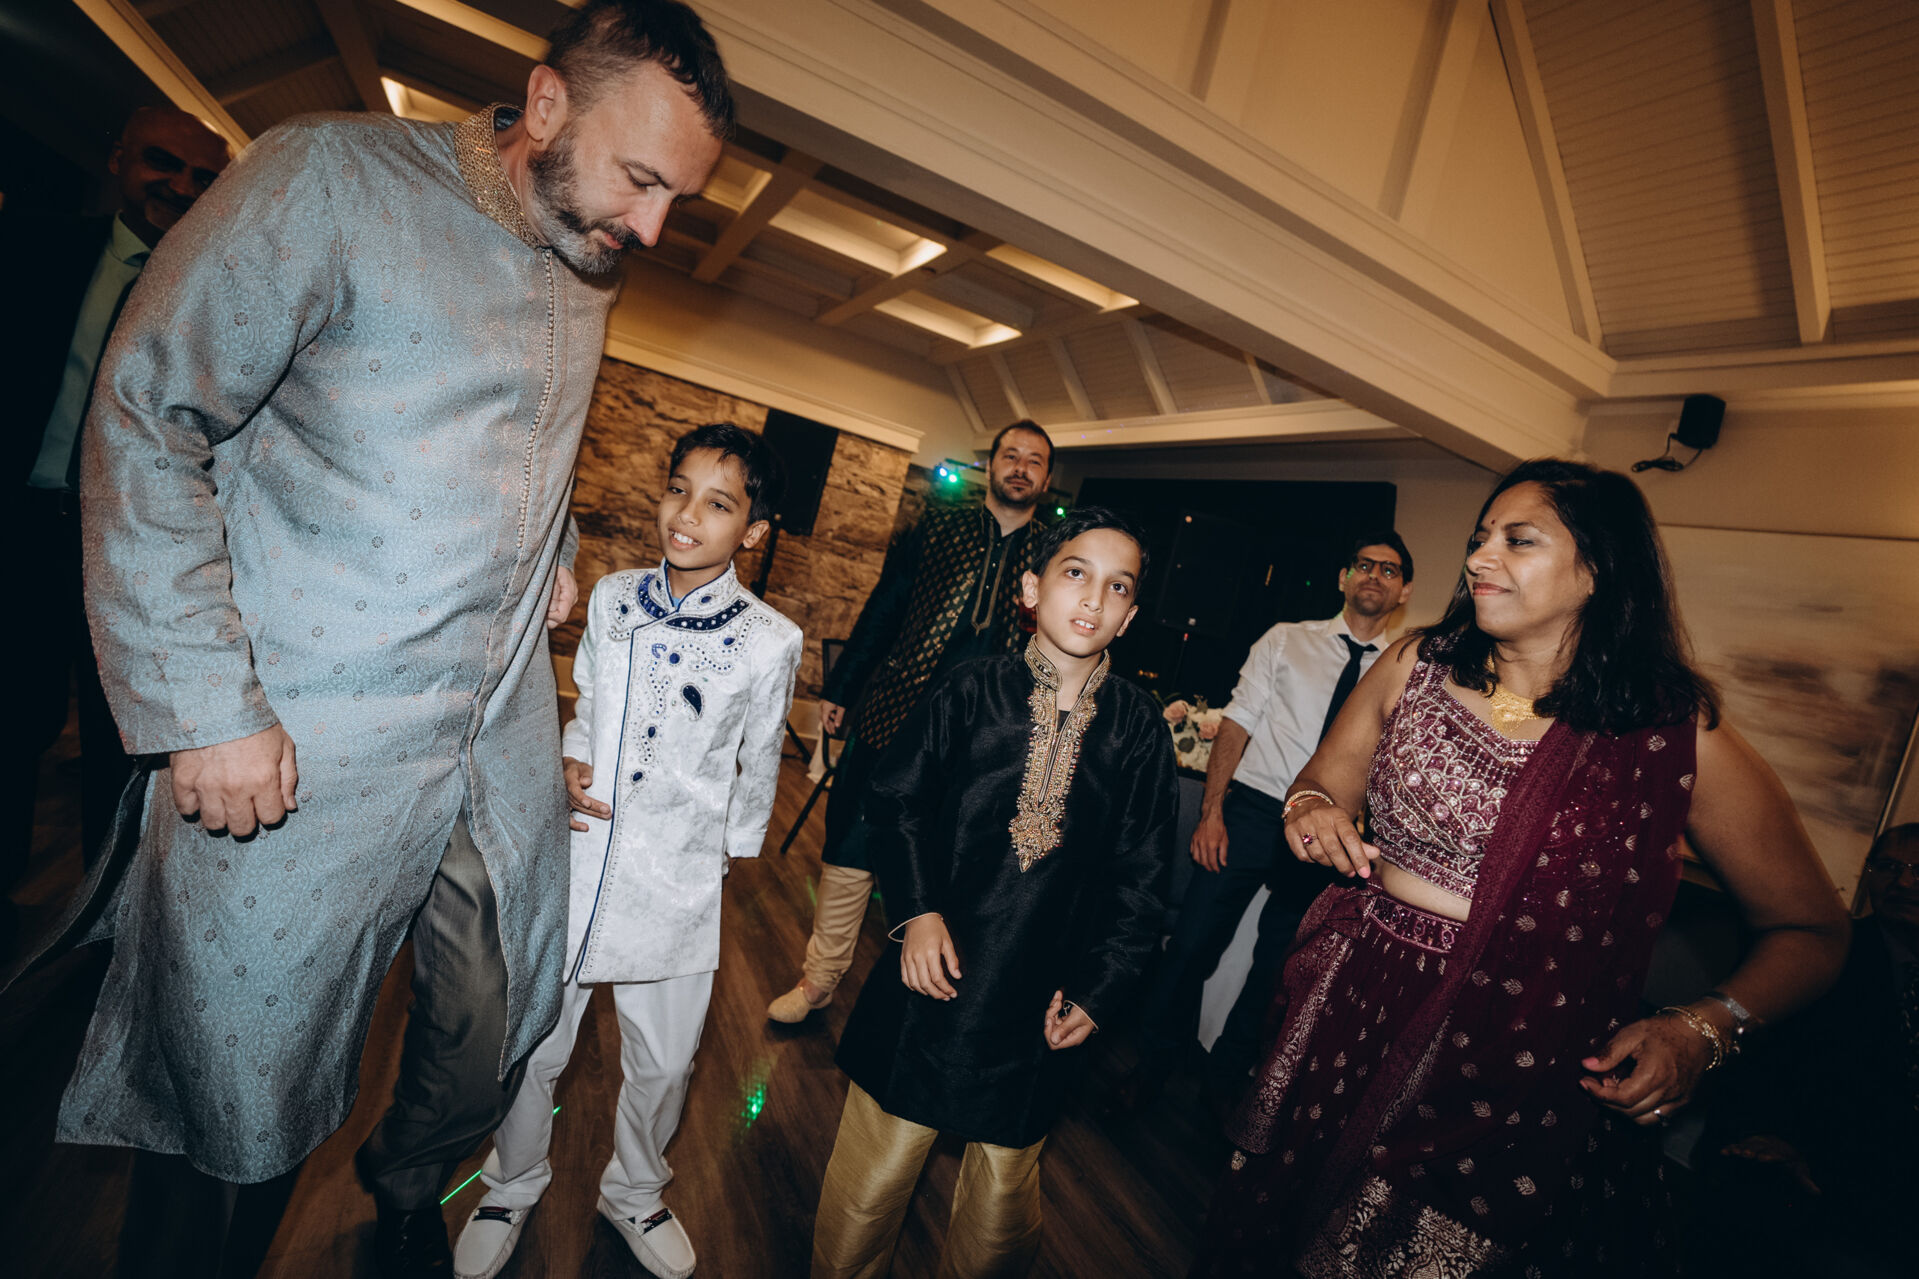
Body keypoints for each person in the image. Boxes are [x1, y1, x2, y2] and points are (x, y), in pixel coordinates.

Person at [57, 3, 732, 1275]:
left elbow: (519, 443)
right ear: (545, 104)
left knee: (495, 1013)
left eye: (674, 201)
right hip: (304, 730)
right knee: (236, 1076)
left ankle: (408, 1179)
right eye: (641, 180)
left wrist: (551, 546)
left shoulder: (589, 254)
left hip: (492, 741)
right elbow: (149, 415)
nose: (650, 228)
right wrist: (204, 703)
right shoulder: (323, 177)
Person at [1195, 459, 1850, 1277]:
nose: (1478, 557)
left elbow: (1812, 930)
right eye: (1479, 538)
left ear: (1596, 568)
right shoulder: (1414, 663)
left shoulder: (1674, 738)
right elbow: (1319, 782)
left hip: (1512, 1059)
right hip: (1355, 1004)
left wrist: (1702, 1028)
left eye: (1518, 540)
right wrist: (1310, 809)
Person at [452, 423, 800, 1279]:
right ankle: (511, 1179)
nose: (686, 514)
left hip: (681, 876)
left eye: (717, 503)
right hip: (583, 852)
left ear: (753, 531)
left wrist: (726, 855)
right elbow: (589, 703)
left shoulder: (771, 639)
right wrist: (570, 759)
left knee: (666, 1061)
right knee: (538, 1039)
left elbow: (758, 758)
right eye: (678, 489)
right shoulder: (611, 597)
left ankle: (635, 1190)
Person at [812, 507, 1179, 1279]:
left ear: (1130, 615)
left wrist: (1100, 991)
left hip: (1042, 997)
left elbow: (1142, 878)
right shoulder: (968, 688)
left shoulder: (1139, 728)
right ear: (1030, 587)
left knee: (1001, 1198)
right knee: (875, 1175)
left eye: (1117, 586)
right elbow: (896, 800)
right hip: (930, 975)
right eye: (1075, 572)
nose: (1093, 597)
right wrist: (916, 913)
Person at [4, 106, 231, 927]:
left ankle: (103, 927)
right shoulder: (30, 248)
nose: (180, 186)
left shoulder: (220, 295)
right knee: (13, 720)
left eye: (203, 177)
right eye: (163, 162)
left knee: (122, 744)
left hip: (135, 551)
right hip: (23, 532)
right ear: (118, 159)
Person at [766, 420, 1054, 1023]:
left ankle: (917, 998)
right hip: (897, 712)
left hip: (986, 740)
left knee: (947, 865)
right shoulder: (938, 526)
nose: (1020, 467)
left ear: (1047, 479)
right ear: (991, 465)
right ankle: (819, 980)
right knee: (851, 842)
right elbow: (885, 606)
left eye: (1034, 460)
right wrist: (843, 687)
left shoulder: (1054, 557)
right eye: (1011, 455)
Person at [1127, 531, 1413, 1108]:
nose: (1374, 576)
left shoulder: (1402, 670)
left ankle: (1223, 1089)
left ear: (1404, 590)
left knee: (1279, 969)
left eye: (1389, 570)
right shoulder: (1286, 639)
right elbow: (1237, 722)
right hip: (1254, 809)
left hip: (1327, 832)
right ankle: (1147, 1069)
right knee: (1191, 945)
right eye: (1363, 564)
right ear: (1343, 578)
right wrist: (1212, 811)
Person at [1695, 822, 1919, 1278]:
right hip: (1820, 1189)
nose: (1903, 882)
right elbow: (1753, 1063)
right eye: (1889, 867)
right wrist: (1770, 1140)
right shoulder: (1817, 957)